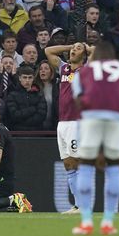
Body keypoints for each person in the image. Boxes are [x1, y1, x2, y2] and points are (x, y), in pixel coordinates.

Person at [71, 41, 119, 235]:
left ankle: (86, 222)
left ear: (95, 55)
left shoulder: (84, 71)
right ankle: (108, 222)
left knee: (85, 167)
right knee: (114, 169)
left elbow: (78, 104)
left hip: (90, 118)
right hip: (116, 119)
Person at [45, 42, 90, 214]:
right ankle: (78, 205)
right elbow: (48, 51)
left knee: (77, 161)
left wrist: (87, 48)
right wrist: (71, 45)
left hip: (76, 122)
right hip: (62, 123)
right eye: (73, 48)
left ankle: (84, 204)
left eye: (78, 49)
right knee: (68, 163)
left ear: (84, 55)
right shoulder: (64, 69)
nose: (73, 50)